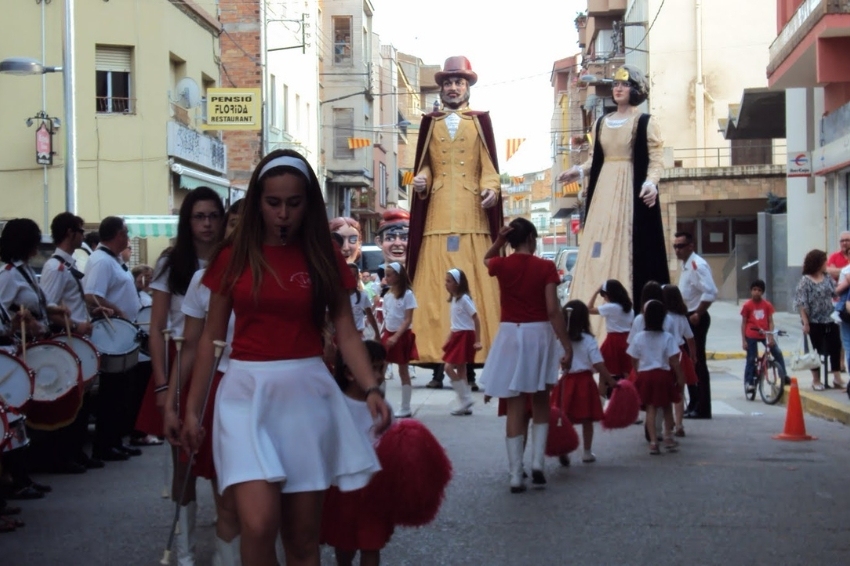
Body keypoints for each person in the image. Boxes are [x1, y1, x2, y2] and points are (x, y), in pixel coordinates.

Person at [180, 149, 390, 566]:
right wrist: (191, 410)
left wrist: (370, 387)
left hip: (306, 395)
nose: (283, 214)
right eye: (273, 203)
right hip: (243, 393)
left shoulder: (323, 256)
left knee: (302, 539)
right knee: (257, 524)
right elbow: (210, 340)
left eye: (293, 203)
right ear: (258, 202)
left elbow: (346, 330)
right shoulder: (233, 254)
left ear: (308, 204)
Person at [136, 186, 225, 564]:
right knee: (184, 466)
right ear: (188, 221)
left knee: (226, 466)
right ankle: (185, 553)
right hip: (181, 369)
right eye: (198, 216)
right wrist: (161, 383)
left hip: (225, 370)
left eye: (212, 216)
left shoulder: (233, 259)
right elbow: (157, 328)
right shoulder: (172, 263)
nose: (206, 224)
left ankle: (229, 549)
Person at [407, 55, 502, 374]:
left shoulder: (479, 122)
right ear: (442, 88)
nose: (453, 87)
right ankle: (432, 351)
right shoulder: (429, 124)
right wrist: (421, 181)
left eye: (458, 82)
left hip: (471, 213)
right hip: (436, 213)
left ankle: (480, 350)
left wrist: (491, 189)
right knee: (433, 284)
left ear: (468, 87)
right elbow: (425, 168)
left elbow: (489, 170)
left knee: (473, 281)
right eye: (448, 82)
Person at [322, 340, 451, 566]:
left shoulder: (383, 408)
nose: (380, 375)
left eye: (382, 368)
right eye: (374, 368)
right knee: (344, 545)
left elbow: (395, 447)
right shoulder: (335, 405)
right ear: (350, 373)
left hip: (376, 490)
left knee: (372, 544)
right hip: (342, 488)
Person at [558, 64, 669, 316]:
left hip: (628, 186)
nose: (618, 88)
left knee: (626, 239)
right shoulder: (601, 122)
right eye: (616, 84)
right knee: (598, 239)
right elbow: (595, 159)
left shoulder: (644, 122)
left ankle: (625, 295)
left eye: (624, 84)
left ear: (636, 89)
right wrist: (578, 171)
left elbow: (656, 158)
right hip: (604, 187)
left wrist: (651, 182)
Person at [166, 199, 241, 566]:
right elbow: (193, 345)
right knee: (203, 474)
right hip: (216, 382)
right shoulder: (202, 278)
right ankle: (186, 554)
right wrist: (170, 400)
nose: (236, 232)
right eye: (233, 224)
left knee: (241, 488)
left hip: (261, 384)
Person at [480, 218, 572, 493]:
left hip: (510, 332)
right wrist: (566, 344)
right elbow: (553, 309)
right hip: (539, 333)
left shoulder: (502, 264)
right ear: (531, 237)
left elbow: (487, 259)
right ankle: (537, 465)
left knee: (515, 404)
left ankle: (515, 474)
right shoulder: (545, 267)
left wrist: (498, 241)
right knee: (541, 398)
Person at [39, 212, 107, 471]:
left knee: (82, 401)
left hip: (79, 339)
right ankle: (64, 455)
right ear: (70, 233)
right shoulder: (55, 267)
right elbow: (48, 308)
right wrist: (76, 324)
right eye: (80, 230)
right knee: (71, 401)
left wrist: (91, 314)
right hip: (69, 341)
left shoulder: (67, 264)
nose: (83, 234)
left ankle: (77, 452)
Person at [83, 216, 143, 461]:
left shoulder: (114, 260)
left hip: (124, 333)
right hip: (113, 334)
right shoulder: (101, 261)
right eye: (126, 233)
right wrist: (117, 311)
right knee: (111, 393)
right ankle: (105, 445)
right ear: (117, 235)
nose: (128, 238)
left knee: (121, 393)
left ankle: (116, 440)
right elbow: (91, 296)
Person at [550, 300, 613, 466]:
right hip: (585, 383)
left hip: (565, 382)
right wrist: (610, 379)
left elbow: (554, 362)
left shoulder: (560, 341)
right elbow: (598, 363)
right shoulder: (588, 340)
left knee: (564, 419)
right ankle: (586, 452)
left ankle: (564, 449)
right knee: (587, 420)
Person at [626, 300, 685, 455]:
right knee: (666, 407)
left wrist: (637, 370)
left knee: (650, 409)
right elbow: (674, 360)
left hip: (646, 374)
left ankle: (653, 442)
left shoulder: (639, 337)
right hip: (663, 374)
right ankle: (668, 436)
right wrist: (680, 377)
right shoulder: (667, 337)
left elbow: (633, 357)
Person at [673, 231, 717, 419]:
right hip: (687, 316)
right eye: (675, 246)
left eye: (681, 246)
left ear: (691, 246)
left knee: (697, 361)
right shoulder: (685, 266)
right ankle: (694, 403)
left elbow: (710, 292)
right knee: (689, 363)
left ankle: (702, 407)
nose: (677, 250)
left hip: (695, 317)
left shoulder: (697, 265)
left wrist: (698, 312)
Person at [794, 249, 843, 390]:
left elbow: (834, 292)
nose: (826, 264)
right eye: (824, 261)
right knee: (815, 350)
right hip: (814, 320)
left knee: (835, 346)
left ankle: (837, 377)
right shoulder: (805, 281)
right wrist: (805, 322)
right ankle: (816, 380)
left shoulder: (827, 277)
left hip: (829, 317)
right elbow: (801, 303)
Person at [442, 268, 482, 416]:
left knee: (448, 367)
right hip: (457, 335)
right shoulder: (453, 299)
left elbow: (476, 318)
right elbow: (456, 322)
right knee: (461, 370)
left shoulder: (464, 299)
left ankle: (465, 398)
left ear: (458, 283)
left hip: (465, 335)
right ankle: (465, 404)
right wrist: (449, 338)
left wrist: (478, 340)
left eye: (449, 281)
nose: (446, 284)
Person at [381, 262, 418, 418]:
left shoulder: (407, 294)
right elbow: (387, 316)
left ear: (398, 276)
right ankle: (380, 404)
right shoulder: (388, 295)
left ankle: (405, 406)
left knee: (403, 370)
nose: (386, 278)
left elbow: (408, 319)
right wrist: (383, 334)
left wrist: (396, 336)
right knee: (380, 369)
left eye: (389, 275)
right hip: (388, 334)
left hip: (401, 335)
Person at [661, 284, 698, 437]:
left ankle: (666, 425)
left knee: (664, 392)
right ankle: (679, 424)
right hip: (680, 354)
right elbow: (690, 338)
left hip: (664, 355)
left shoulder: (661, 316)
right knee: (680, 392)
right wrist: (693, 355)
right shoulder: (682, 317)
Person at [741, 279, 790, 393]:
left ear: (762, 292)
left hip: (764, 334)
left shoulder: (767, 305)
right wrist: (744, 340)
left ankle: (783, 375)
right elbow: (743, 323)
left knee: (777, 352)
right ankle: (749, 382)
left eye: (759, 290)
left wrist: (771, 336)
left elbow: (770, 321)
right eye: (754, 290)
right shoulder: (747, 306)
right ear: (751, 291)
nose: (756, 292)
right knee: (751, 358)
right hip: (751, 334)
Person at [588, 279, 634, 380]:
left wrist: (596, 291)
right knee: (627, 373)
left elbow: (589, 309)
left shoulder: (610, 307)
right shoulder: (629, 308)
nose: (604, 297)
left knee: (604, 375)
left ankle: (603, 394)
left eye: (604, 294)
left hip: (613, 341)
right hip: (628, 340)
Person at [347, 264, 380, 340]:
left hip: (358, 336)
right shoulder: (337, 297)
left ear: (358, 278)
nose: (352, 278)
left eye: (354, 276)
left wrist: (377, 334)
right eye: (349, 275)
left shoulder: (362, 295)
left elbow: (370, 315)